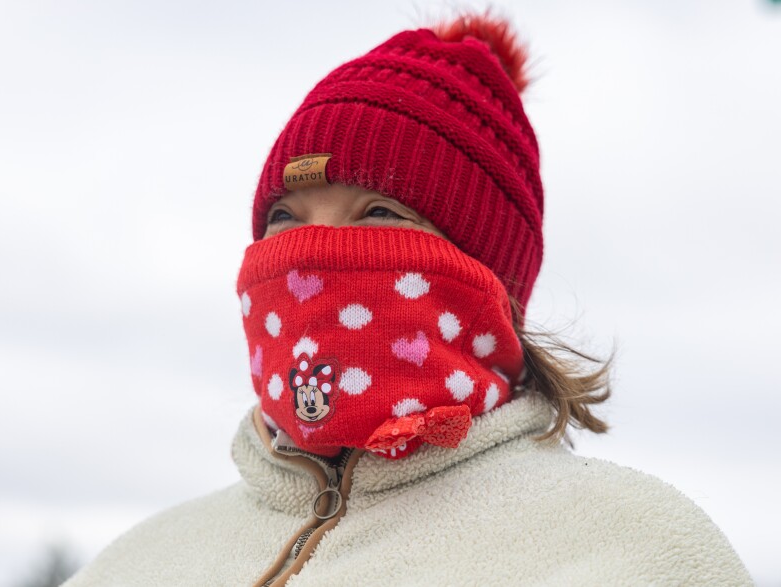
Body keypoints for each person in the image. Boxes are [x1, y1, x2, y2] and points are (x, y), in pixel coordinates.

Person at [63, 11, 752, 587]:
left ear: (488, 276)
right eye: (285, 219)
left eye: (379, 213)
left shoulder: (635, 552)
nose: (314, 253)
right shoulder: (136, 564)